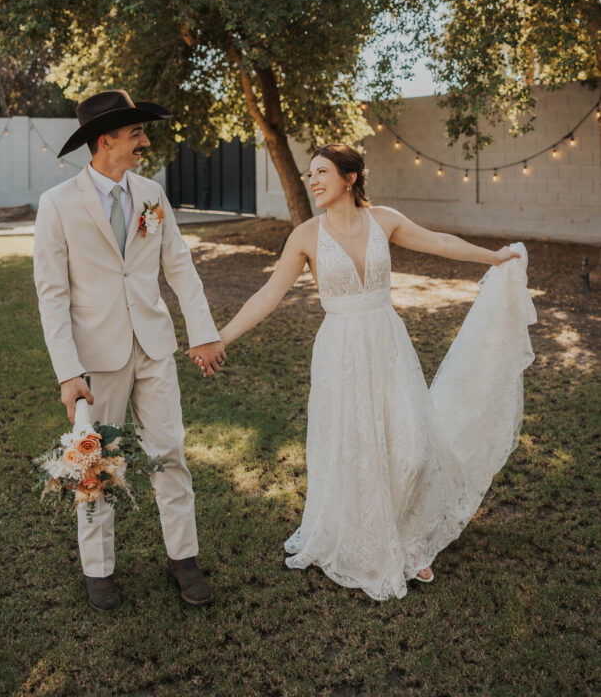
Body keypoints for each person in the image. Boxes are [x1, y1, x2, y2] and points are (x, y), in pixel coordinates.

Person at [214, 143, 535, 601]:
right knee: (355, 447)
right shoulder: (306, 235)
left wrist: (495, 257)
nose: (314, 180)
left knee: (411, 446)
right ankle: (370, 542)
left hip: (387, 343)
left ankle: (410, 537)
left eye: (322, 171)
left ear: (350, 177)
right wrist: (221, 338)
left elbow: (441, 243)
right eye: (310, 174)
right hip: (340, 351)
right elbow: (268, 295)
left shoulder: (383, 220)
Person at [33, 89, 226, 611]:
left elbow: (179, 266)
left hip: (155, 347)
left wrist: (203, 332)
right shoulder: (57, 205)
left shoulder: (151, 195)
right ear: (105, 141)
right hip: (95, 361)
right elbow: (52, 296)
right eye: (135, 133)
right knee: (96, 464)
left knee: (170, 453)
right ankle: (98, 570)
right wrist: (67, 372)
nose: (145, 141)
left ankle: (182, 559)